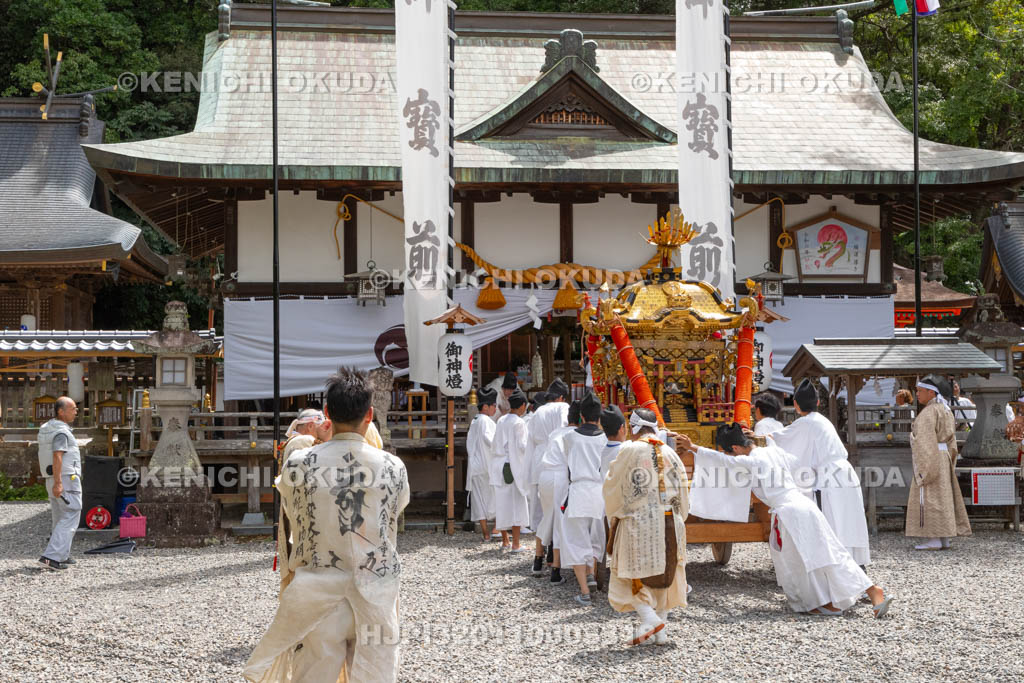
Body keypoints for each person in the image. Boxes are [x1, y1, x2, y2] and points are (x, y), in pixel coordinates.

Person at [244, 367, 409, 682]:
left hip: (317, 594)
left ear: (328, 413)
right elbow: (396, 509)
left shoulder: (298, 464)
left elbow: (292, 513)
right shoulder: (393, 466)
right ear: (369, 414)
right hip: (375, 591)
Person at [683, 424, 893, 618]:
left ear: (736, 448)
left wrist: (693, 447)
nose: (732, 456)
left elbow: (724, 461)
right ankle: (851, 595)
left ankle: (828, 600)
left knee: (802, 560)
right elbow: (796, 463)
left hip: (791, 513)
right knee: (826, 553)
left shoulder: (754, 460)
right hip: (803, 506)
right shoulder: (773, 452)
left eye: (730, 452)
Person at [763, 378, 871, 566]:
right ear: (818, 402)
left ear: (795, 404)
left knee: (833, 522)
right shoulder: (823, 421)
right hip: (845, 472)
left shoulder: (805, 423)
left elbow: (779, 439)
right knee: (849, 522)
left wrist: (758, 438)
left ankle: (838, 567)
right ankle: (855, 565)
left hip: (830, 479)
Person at [604, 408, 690, 645]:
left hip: (638, 523)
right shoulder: (670, 452)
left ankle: (650, 619)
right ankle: (659, 631)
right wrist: (680, 516)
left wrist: (615, 514)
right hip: (671, 522)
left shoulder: (629, 450)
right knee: (666, 575)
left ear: (633, 428)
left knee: (630, 574)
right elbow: (683, 490)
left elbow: (613, 485)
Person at [907, 375, 972, 550]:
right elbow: (952, 441)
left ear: (931, 392)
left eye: (920, 391)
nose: (917, 394)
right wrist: (950, 458)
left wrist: (912, 439)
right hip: (944, 456)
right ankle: (944, 538)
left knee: (930, 497)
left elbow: (924, 440)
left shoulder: (929, 412)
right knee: (943, 497)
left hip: (931, 456)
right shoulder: (946, 410)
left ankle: (934, 539)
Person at [561, 391, 607, 605]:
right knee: (595, 538)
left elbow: (567, 461)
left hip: (578, 490)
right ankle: (590, 573)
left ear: (581, 416)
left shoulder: (570, 437)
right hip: (598, 492)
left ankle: (584, 591)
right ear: (599, 417)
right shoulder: (605, 439)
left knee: (576, 540)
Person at [527, 378, 570, 576]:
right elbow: (563, 432)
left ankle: (539, 556)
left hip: (539, 462)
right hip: (557, 460)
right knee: (558, 512)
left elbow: (530, 440)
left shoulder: (538, 412)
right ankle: (553, 556)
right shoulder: (562, 408)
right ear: (561, 397)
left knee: (544, 512)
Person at [536, 400, 581, 585]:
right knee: (559, 521)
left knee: (547, 517)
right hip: (560, 477)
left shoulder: (555, 432)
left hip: (545, 476)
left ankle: (538, 560)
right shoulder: (576, 434)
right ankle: (555, 568)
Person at [37, 397, 82, 570]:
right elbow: (57, 455)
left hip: (51, 477)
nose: (76, 411)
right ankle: (51, 557)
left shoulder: (47, 429)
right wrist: (59, 482)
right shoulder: (61, 432)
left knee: (59, 516)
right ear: (61, 412)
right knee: (72, 512)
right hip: (66, 478)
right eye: (73, 408)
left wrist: (55, 481)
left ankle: (62, 555)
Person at [492, 387, 531, 553]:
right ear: (522, 405)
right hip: (513, 467)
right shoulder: (519, 422)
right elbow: (523, 446)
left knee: (502, 504)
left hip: (499, 464)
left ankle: (505, 540)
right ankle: (516, 543)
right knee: (516, 505)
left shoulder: (501, 420)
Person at [467, 388, 499, 541]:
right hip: (487, 465)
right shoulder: (486, 421)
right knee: (495, 497)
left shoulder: (475, 420)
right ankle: (496, 528)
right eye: (494, 406)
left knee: (479, 500)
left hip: (475, 466)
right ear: (485, 407)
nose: (495, 409)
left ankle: (486, 534)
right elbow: (489, 440)